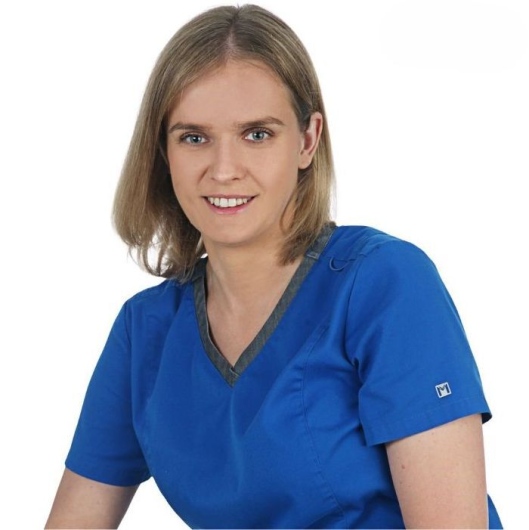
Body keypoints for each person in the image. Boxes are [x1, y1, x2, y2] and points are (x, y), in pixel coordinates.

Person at [45, 4, 502, 529]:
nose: (223, 169)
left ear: (307, 140)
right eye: (194, 137)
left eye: (257, 134)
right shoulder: (145, 332)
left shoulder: (385, 284)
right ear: (163, 152)